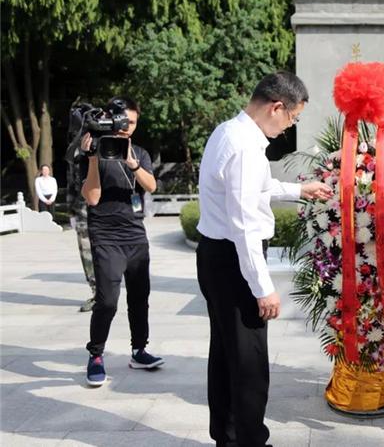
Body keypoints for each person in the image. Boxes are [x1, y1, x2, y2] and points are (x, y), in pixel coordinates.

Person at [196, 71, 332, 447]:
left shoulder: (229, 132)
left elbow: (254, 189)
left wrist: (299, 189)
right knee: (250, 360)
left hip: (215, 255)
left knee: (225, 352)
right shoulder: (244, 146)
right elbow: (244, 225)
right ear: (276, 107)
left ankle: (227, 436)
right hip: (233, 262)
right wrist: (263, 288)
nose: (290, 127)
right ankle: (251, 440)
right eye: (292, 118)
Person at [80, 96, 163, 387]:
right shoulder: (95, 152)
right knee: (107, 300)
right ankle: (96, 355)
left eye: (133, 123)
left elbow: (151, 185)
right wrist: (91, 157)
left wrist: (133, 163)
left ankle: (139, 350)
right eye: (124, 121)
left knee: (140, 297)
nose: (127, 127)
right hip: (105, 235)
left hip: (135, 234)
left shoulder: (139, 151)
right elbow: (92, 198)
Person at [66, 123, 96, 313]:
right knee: (87, 252)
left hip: (105, 208)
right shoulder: (75, 152)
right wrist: (71, 209)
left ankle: (108, 292)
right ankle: (97, 292)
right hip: (83, 209)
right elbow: (71, 181)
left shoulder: (107, 143)